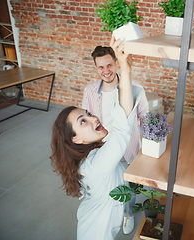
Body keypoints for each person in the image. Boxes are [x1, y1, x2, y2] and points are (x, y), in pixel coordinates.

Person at [50, 37, 144, 240]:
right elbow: (121, 129)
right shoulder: (97, 164)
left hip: (90, 212)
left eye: (87, 114)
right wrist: (126, 71)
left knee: (128, 187)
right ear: (76, 139)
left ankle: (129, 215)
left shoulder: (89, 156)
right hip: (93, 233)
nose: (93, 118)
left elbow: (136, 121)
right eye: (83, 122)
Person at [82, 41, 148, 235]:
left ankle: (127, 215)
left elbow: (144, 119)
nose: (106, 70)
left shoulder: (135, 88)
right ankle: (111, 215)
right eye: (101, 67)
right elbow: (86, 123)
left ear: (117, 64)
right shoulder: (90, 91)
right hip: (103, 149)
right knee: (109, 186)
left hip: (128, 148)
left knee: (129, 188)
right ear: (96, 68)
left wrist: (146, 151)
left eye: (109, 65)